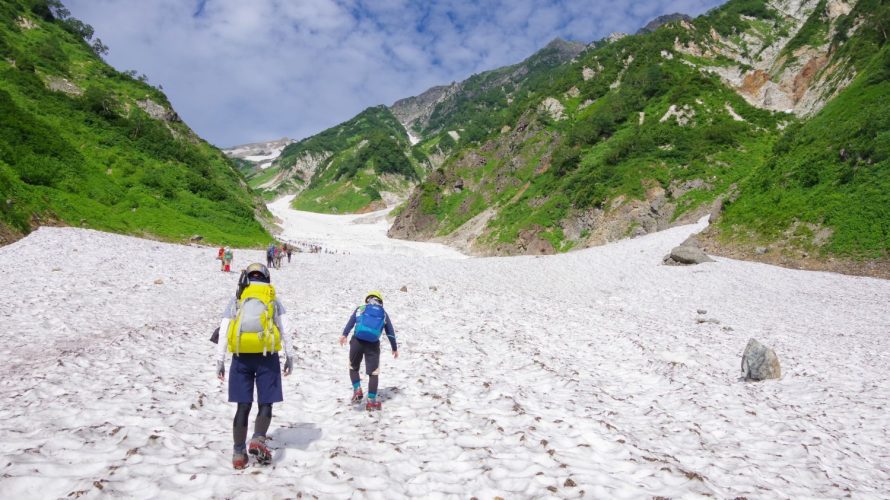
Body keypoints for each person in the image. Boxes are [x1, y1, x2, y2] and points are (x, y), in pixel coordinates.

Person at [215, 263, 293, 469]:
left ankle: (238, 453)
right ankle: (258, 438)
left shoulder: (238, 298)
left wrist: (220, 360)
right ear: (266, 278)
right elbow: (286, 329)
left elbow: (224, 330)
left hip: (241, 356)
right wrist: (290, 356)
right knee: (266, 402)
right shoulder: (272, 298)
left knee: (243, 405)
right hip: (267, 356)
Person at [339, 291, 398, 411]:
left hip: (357, 341)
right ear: (380, 301)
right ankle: (371, 402)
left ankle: (357, 390)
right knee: (373, 373)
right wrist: (394, 348)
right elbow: (390, 332)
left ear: (368, 300)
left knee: (353, 367)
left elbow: (351, 322)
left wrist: (344, 335)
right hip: (373, 344)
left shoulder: (360, 309)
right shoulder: (384, 314)